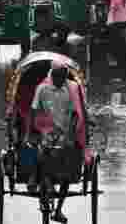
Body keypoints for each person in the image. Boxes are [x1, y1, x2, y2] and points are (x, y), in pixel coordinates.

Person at [27, 60, 81, 223]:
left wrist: (71, 134)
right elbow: (34, 110)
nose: (62, 80)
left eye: (64, 77)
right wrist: (34, 131)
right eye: (59, 77)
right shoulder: (42, 89)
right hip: (45, 130)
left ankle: (58, 210)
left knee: (66, 174)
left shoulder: (68, 90)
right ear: (53, 75)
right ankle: (41, 179)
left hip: (63, 133)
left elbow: (73, 114)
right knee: (42, 150)